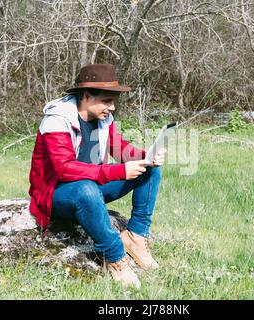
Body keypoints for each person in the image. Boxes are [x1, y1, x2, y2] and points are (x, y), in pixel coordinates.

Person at [28, 64, 165, 288]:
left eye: (113, 102)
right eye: (106, 101)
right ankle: (114, 256)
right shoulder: (57, 119)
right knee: (86, 189)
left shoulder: (103, 119)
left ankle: (136, 237)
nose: (111, 108)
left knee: (149, 169)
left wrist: (145, 156)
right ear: (86, 95)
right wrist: (120, 171)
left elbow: (119, 148)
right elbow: (65, 169)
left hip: (90, 187)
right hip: (58, 194)